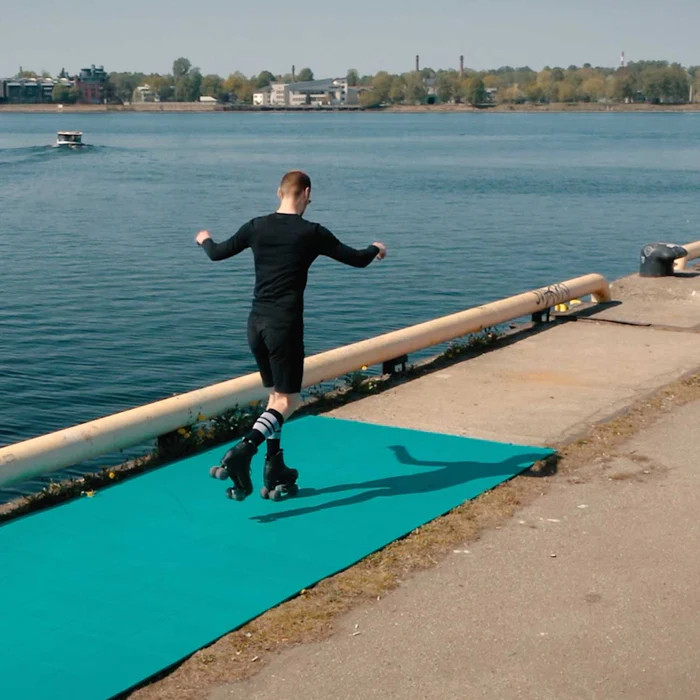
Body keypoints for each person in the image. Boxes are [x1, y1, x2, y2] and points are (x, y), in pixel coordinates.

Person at [196, 170, 387, 501]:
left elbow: (216, 253)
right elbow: (357, 259)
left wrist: (204, 239)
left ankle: (274, 465)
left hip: (256, 326)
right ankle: (244, 450)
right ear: (306, 193)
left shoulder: (256, 226)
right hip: (283, 328)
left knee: (275, 399)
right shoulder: (311, 232)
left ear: (279, 192)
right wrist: (376, 247)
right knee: (289, 401)